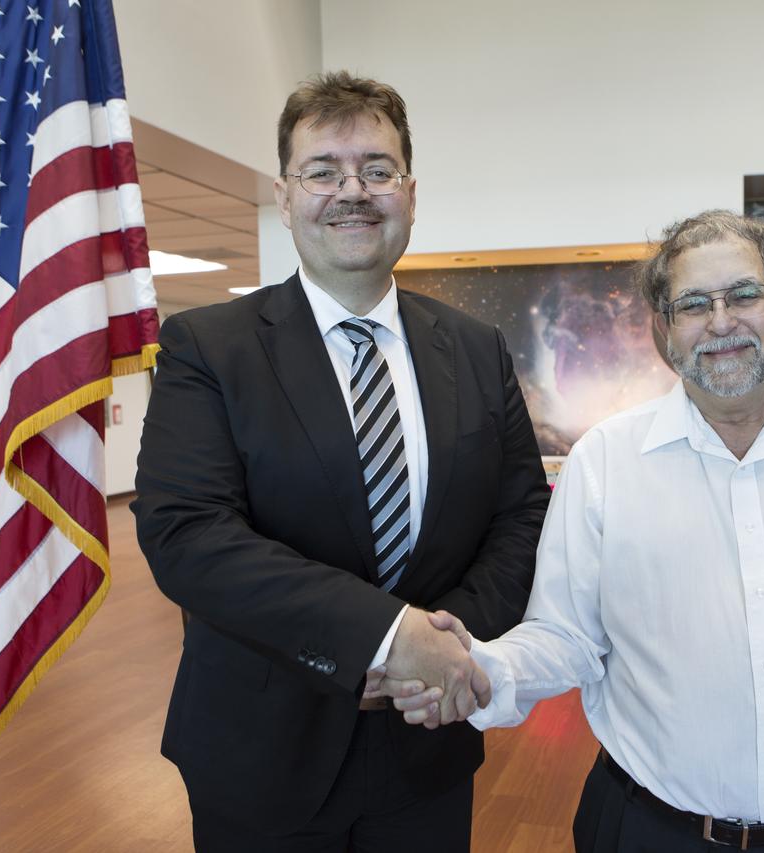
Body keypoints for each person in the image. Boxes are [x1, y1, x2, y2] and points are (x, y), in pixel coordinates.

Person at [390, 211, 764, 852]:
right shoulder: (604, 463)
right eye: (692, 305)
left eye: (744, 295)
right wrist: (484, 668)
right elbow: (566, 635)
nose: (721, 321)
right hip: (647, 831)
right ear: (664, 333)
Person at [131, 71, 548, 851]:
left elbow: (521, 513)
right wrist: (392, 636)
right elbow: (187, 534)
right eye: (322, 170)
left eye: (377, 169)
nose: (352, 190)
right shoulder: (208, 347)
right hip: (262, 753)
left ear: (410, 193)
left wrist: (449, 640)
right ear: (286, 198)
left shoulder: (475, 347)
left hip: (429, 742)